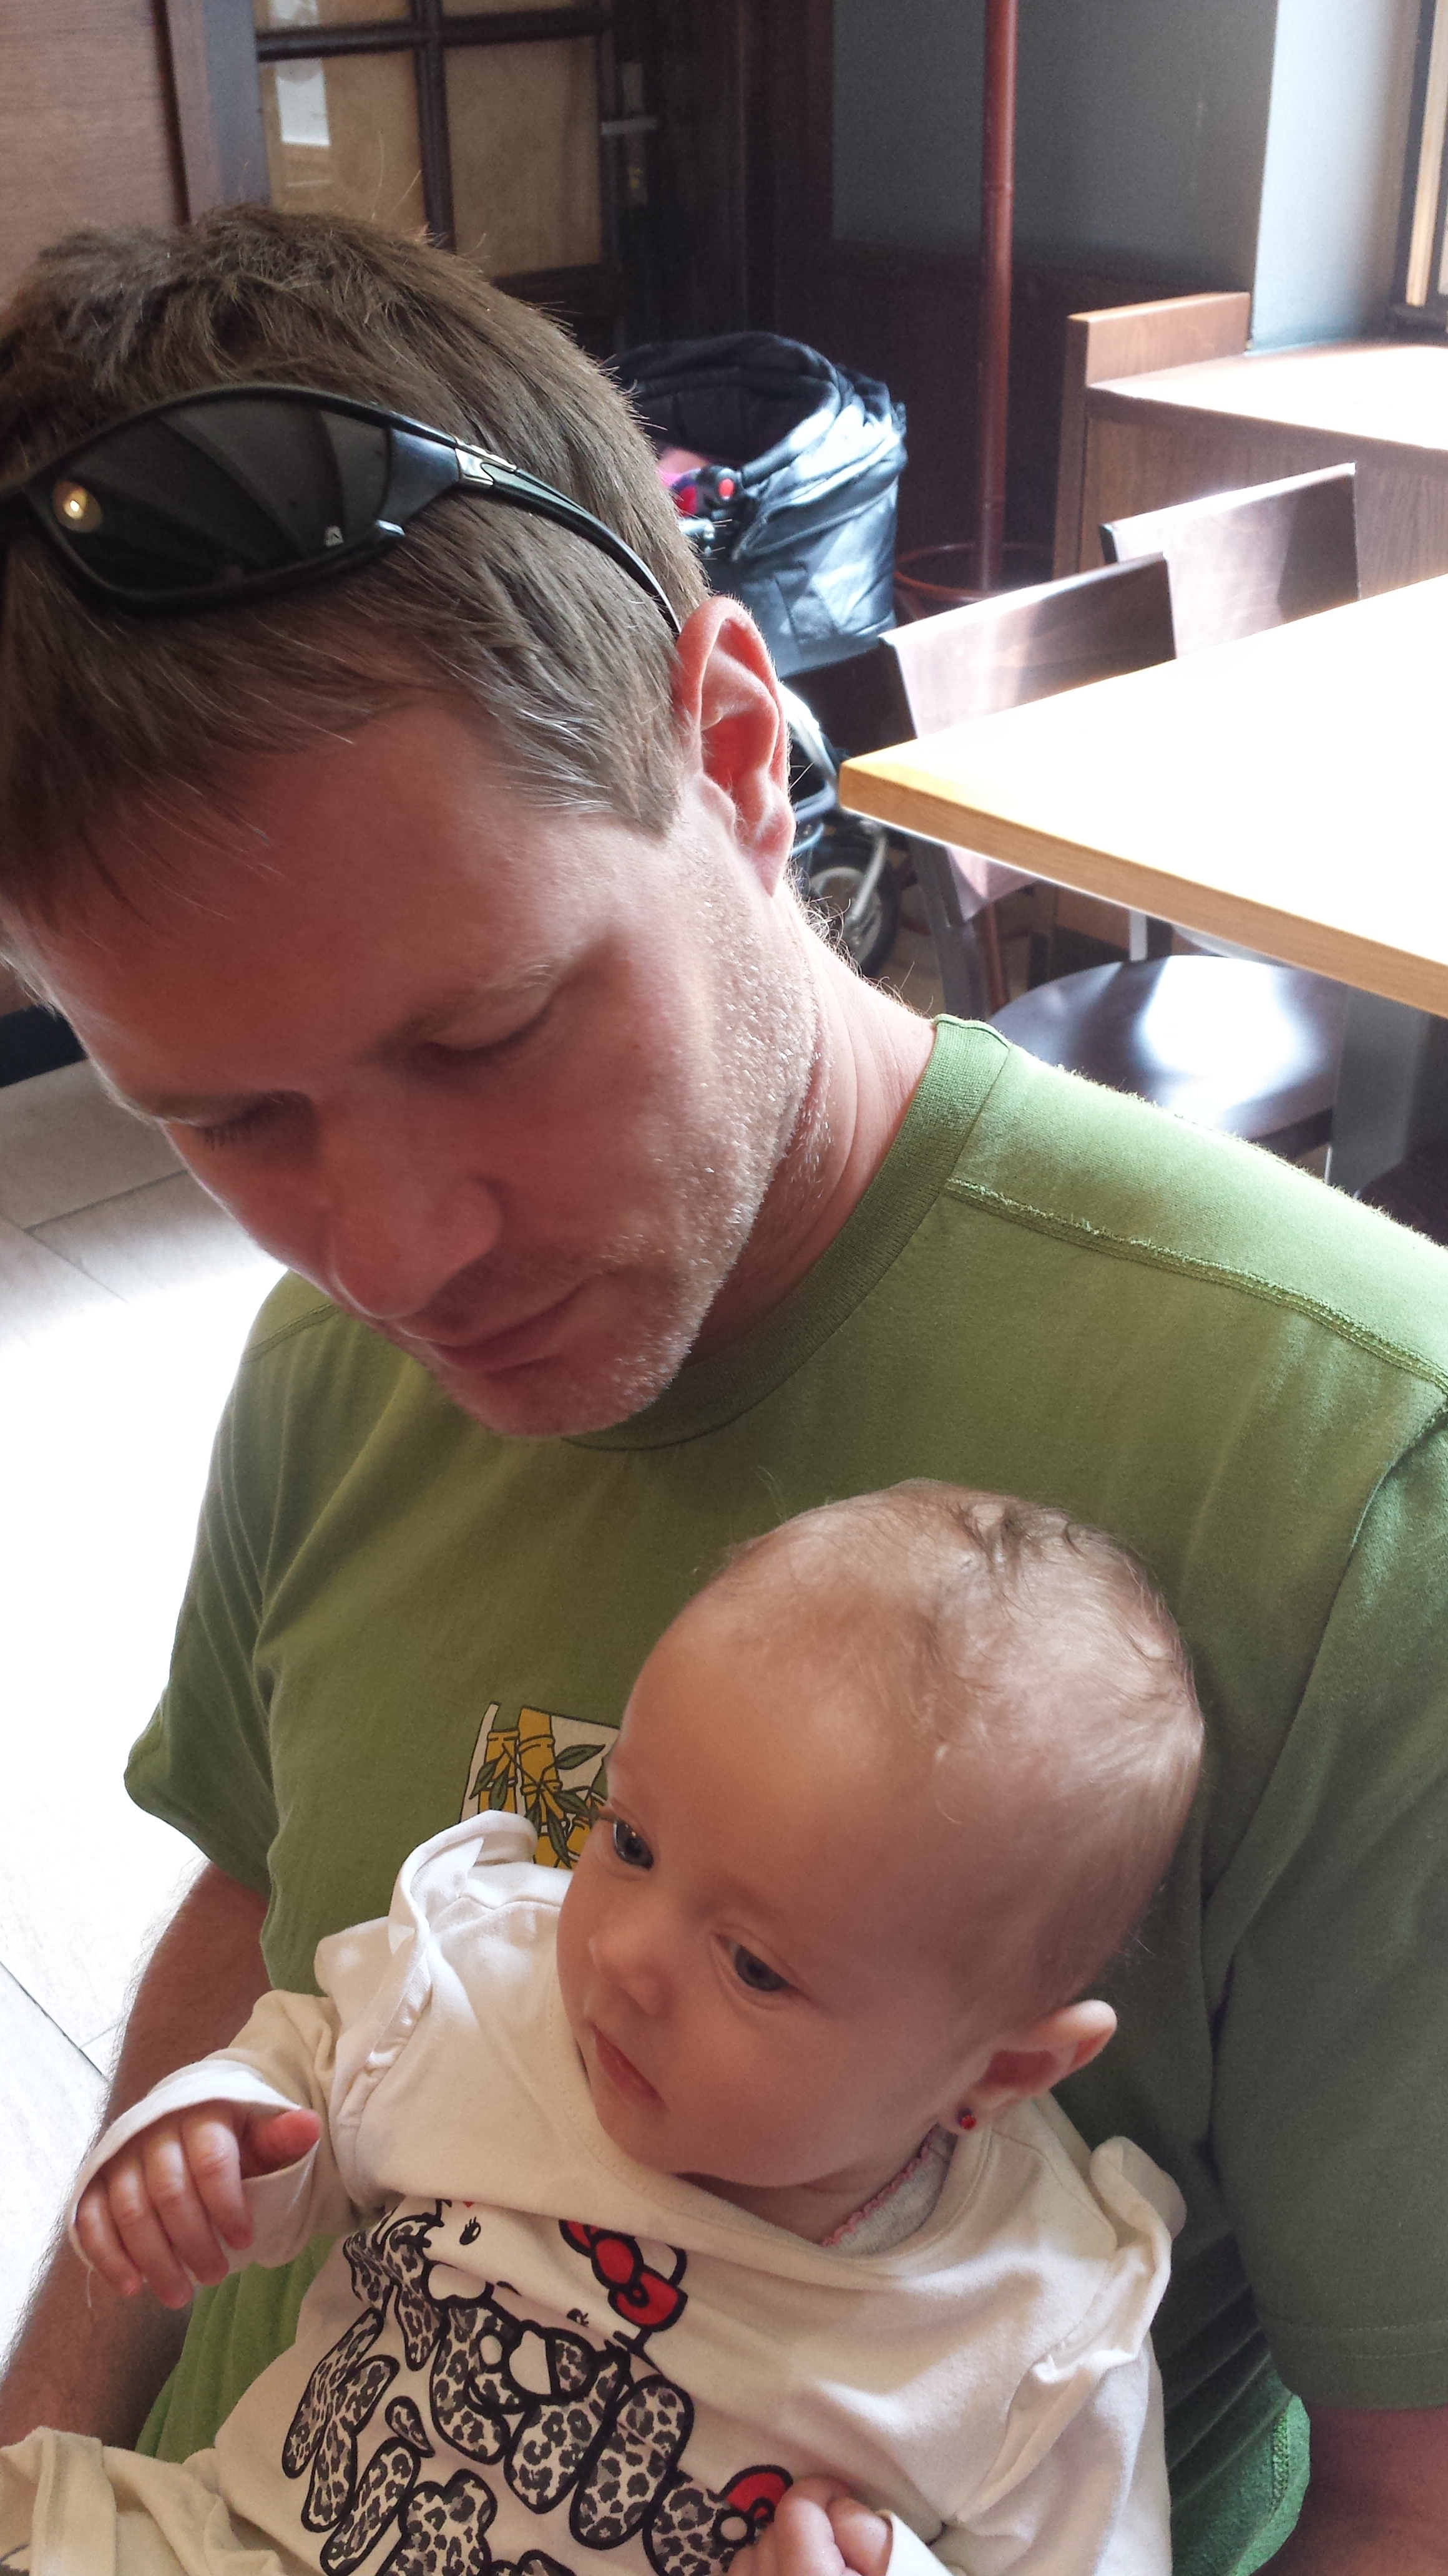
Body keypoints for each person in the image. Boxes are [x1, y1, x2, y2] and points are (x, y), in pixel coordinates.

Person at [1, 206, 1447, 2576]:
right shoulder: (326, 1365)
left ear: (744, 754)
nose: (396, 1258)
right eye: (229, 1120)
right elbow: (260, 1896)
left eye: (493, 1030)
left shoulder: (1365, 1477)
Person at [5, 1487, 1200, 2576]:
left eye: (753, 1965)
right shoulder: (490, 1985)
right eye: (629, 1841)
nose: (623, 1955)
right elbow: (313, 2076)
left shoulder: (1033, 2335)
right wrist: (215, 2138)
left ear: (1001, 2068)